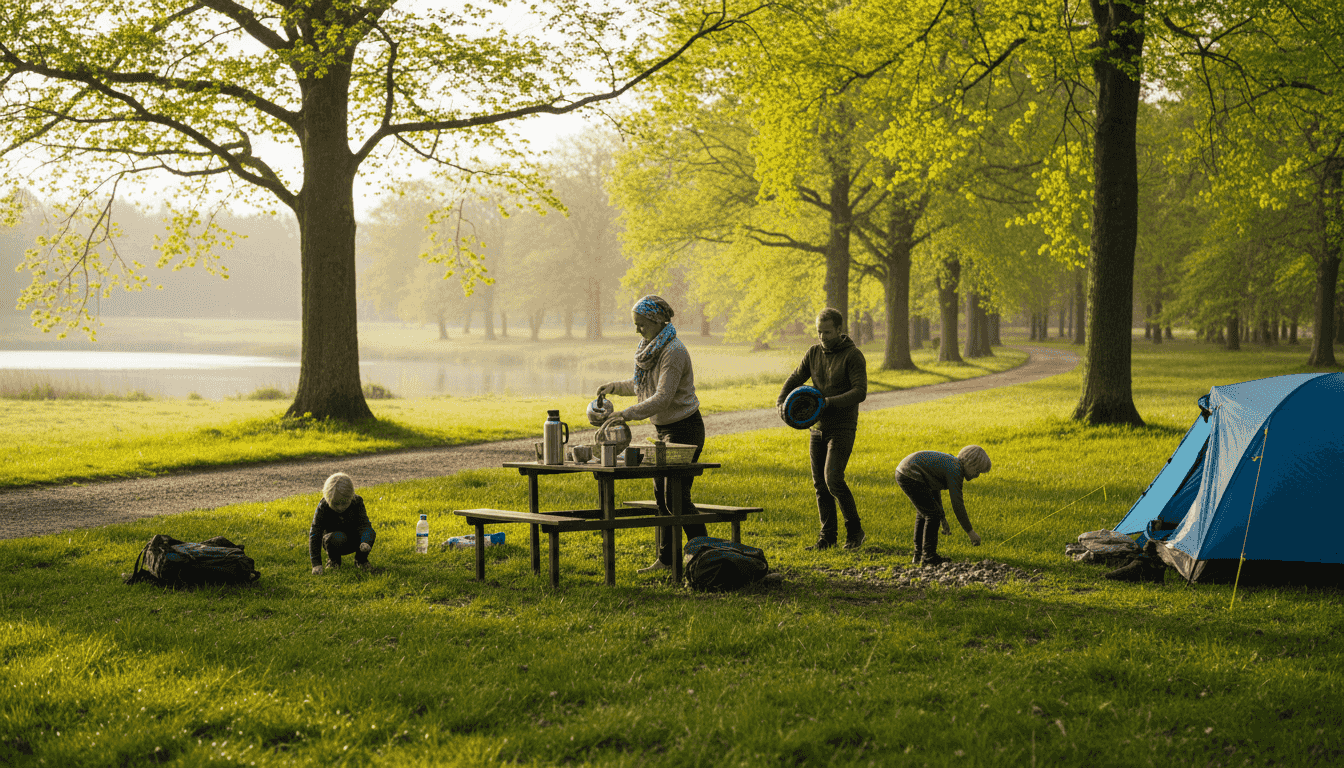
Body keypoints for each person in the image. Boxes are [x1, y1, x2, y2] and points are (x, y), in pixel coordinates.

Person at [597, 295, 706, 575]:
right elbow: (640, 385)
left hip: (685, 429)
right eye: (635, 324)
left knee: (676, 498)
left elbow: (663, 397)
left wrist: (626, 413)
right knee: (662, 497)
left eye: (641, 324)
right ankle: (667, 560)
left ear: (657, 321)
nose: (637, 330)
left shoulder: (673, 351)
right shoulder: (650, 348)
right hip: (664, 431)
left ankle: (706, 555)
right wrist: (614, 387)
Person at [777, 307, 869, 550]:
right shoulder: (813, 353)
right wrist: (781, 402)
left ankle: (855, 532)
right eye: (819, 332)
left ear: (839, 330)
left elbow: (860, 392)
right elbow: (796, 377)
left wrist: (828, 402)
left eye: (827, 332)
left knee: (833, 479)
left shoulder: (853, 356)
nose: (822, 337)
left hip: (842, 427)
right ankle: (827, 538)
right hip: (817, 428)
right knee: (820, 484)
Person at [894, 446, 991, 566]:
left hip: (905, 471)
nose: (977, 475)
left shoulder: (952, 464)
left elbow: (934, 490)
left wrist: (942, 516)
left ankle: (919, 555)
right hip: (910, 473)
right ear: (969, 463)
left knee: (925, 513)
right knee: (931, 515)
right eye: (977, 471)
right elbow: (957, 504)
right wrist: (970, 532)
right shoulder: (955, 470)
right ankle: (929, 556)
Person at [309, 472, 377, 574]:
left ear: (351, 496)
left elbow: (364, 525)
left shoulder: (357, 502)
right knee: (336, 537)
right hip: (333, 541)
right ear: (328, 499)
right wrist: (316, 563)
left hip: (355, 539)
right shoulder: (323, 507)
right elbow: (315, 533)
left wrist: (366, 541)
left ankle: (361, 560)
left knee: (370, 532)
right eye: (335, 504)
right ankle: (334, 561)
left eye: (344, 503)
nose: (340, 508)